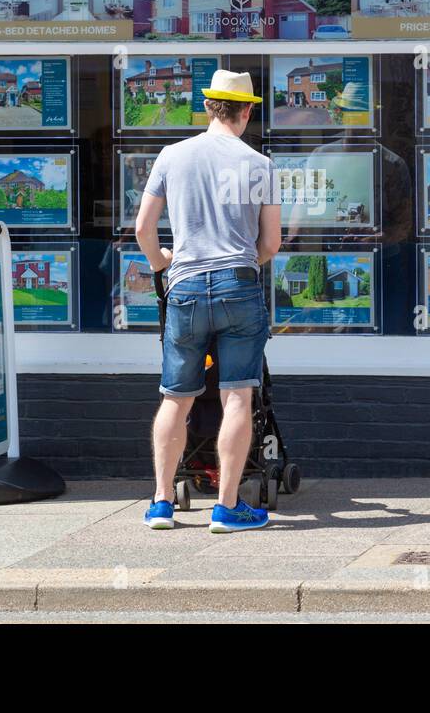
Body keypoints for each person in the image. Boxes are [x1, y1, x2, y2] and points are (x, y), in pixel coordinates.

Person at [134, 69, 281, 533]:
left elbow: (142, 230)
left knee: (175, 397)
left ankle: (161, 503)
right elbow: (271, 245)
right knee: (238, 394)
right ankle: (226, 506)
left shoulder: (171, 156)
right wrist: (240, 263)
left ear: (208, 107)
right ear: (247, 110)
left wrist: (163, 262)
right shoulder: (259, 164)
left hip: (186, 287)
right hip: (239, 284)